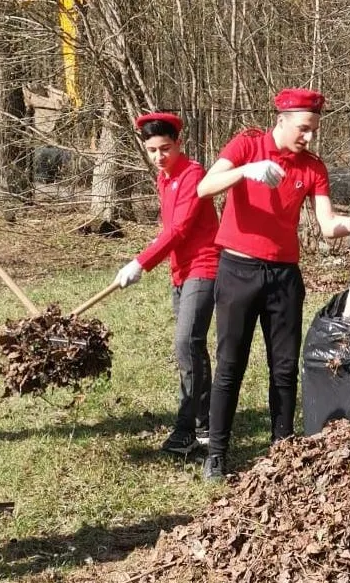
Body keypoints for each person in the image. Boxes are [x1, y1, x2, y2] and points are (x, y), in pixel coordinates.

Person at [195, 88, 350, 482]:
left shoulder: (313, 167)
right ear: (281, 120)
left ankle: (282, 449)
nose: (309, 137)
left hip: (283, 277)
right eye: (303, 129)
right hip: (238, 272)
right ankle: (217, 452)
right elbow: (205, 186)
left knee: (284, 368)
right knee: (231, 364)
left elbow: (329, 226)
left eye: (314, 130)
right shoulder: (247, 144)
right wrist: (246, 170)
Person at [114, 112, 220, 456]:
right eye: (152, 150)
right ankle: (206, 421)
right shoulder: (165, 178)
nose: (159, 157)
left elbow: (180, 230)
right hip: (180, 271)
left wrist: (140, 262)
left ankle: (185, 427)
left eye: (166, 148)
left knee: (185, 343)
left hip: (204, 267)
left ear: (179, 144)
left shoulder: (193, 175)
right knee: (194, 347)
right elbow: (170, 233)